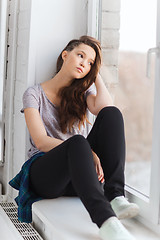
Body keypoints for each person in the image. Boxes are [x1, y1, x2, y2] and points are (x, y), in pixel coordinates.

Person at [9, 35, 139, 240]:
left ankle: (116, 196)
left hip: (79, 174)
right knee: (78, 142)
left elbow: (105, 107)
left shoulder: (83, 93)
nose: (84, 64)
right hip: (46, 172)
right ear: (65, 54)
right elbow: (41, 141)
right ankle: (107, 223)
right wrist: (88, 152)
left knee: (113, 114)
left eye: (90, 63)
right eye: (81, 56)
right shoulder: (33, 94)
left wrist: (96, 74)